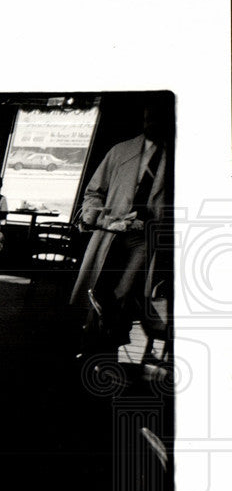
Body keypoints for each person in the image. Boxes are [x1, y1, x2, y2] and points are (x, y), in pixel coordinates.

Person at [69, 99, 174, 348]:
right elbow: (94, 191)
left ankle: (107, 343)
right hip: (111, 231)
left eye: (160, 117)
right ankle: (94, 343)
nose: (153, 122)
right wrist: (95, 218)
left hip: (146, 236)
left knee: (124, 291)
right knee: (98, 287)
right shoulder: (121, 151)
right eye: (149, 116)